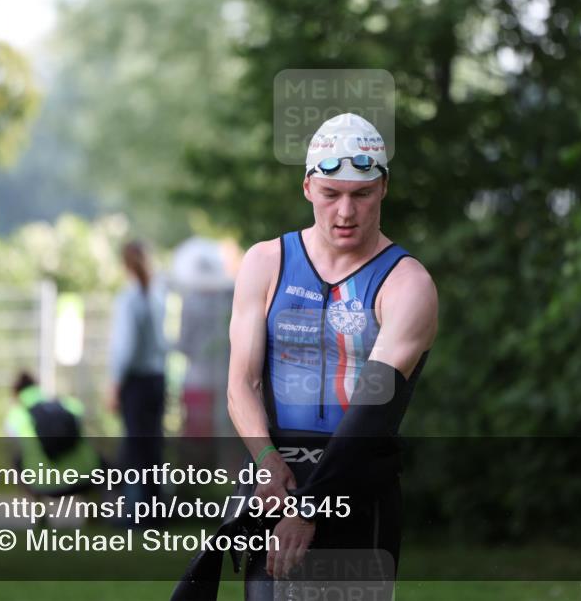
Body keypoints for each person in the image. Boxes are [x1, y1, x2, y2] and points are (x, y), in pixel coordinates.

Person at [172, 113, 438, 600]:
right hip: (278, 479)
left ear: (383, 189)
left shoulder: (406, 283)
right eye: (331, 194)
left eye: (360, 195)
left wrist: (311, 508)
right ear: (307, 187)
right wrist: (268, 462)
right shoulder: (265, 262)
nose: (345, 212)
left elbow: (373, 413)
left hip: (357, 484)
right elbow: (241, 386)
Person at [108, 240, 168, 506]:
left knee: (135, 447)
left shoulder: (129, 297)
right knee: (153, 447)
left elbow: (125, 347)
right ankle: (154, 509)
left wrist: (114, 383)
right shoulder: (156, 294)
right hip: (157, 378)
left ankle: (134, 511)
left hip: (136, 382)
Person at [4, 371, 101, 499]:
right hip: (84, 479)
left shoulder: (16, 415)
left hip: (44, 484)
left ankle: (39, 512)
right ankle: (93, 510)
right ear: (37, 386)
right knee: (89, 450)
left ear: (15, 393)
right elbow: (82, 415)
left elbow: (13, 439)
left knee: (18, 459)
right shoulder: (65, 403)